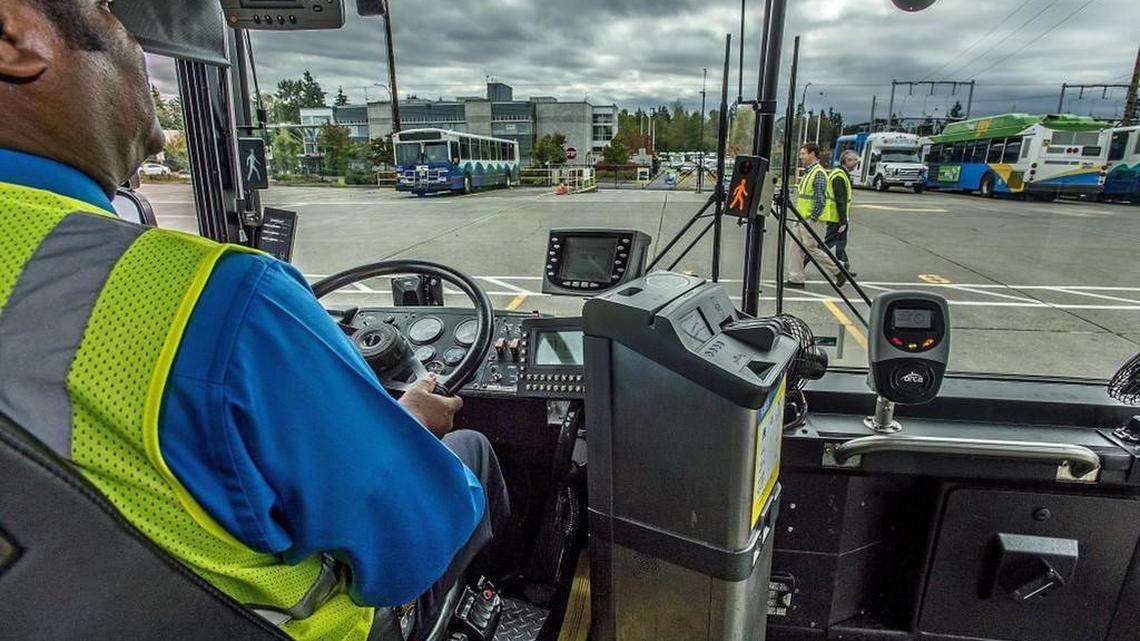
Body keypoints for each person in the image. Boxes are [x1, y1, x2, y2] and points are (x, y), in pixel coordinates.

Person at [0, 2, 507, 640]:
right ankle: (526, 596)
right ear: (12, 33)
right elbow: (407, 544)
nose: (145, 54)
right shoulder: (209, 296)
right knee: (469, 458)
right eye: (112, 11)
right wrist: (404, 422)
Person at [786, 143, 846, 289]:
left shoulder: (818, 173)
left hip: (810, 219)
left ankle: (838, 270)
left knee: (811, 248)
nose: (801, 157)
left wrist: (812, 218)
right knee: (794, 248)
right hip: (800, 218)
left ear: (813, 154)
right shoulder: (809, 171)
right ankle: (796, 279)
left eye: (803, 153)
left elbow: (820, 199)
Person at [824, 150, 858, 277]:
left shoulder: (842, 174)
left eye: (856, 160)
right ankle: (806, 260)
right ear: (845, 161)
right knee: (828, 244)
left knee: (841, 244)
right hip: (836, 217)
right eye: (853, 160)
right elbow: (840, 200)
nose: (856, 162)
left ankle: (844, 269)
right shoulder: (839, 176)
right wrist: (843, 220)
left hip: (838, 216)